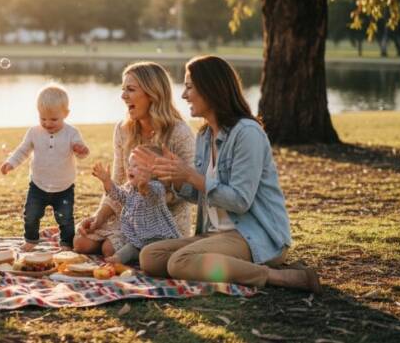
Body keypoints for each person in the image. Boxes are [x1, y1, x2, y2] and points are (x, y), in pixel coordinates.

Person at [135, 55, 320, 292]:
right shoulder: (205, 136)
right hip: (215, 234)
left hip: (251, 235)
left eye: (189, 87)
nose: (183, 95)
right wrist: (176, 177)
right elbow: (198, 194)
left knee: (179, 263)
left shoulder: (247, 134)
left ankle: (284, 277)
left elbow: (240, 201)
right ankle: (223, 263)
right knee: (151, 256)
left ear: (211, 89)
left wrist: (191, 175)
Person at [73, 61, 195, 257]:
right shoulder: (123, 129)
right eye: (123, 90)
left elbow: (190, 192)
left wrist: (151, 187)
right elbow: (119, 183)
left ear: (152, 93)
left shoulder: (179, 132)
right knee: (80, 243)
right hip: (130, 214)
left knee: (108, 248)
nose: (123, 96)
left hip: (164, 221)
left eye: (130, 89)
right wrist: (99, 217)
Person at [0, 84, 90, 251]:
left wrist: (81, 150)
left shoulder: (72, 133)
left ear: (66, 114)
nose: (47, 123)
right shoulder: (34, 132)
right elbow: (23, 150)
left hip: (64, 186)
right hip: (38, 185)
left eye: (54, 119)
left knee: (65, 218)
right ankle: (31, 240)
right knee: (31, 215)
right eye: (43, 118)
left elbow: (82, 152)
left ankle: (66, 244)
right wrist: (11, 163)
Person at [90, 145, 181, 264]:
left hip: (160, 239)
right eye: (130, 165)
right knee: (128, 250)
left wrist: (144, 186)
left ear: (153, 171)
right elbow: (117, 195)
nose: (130, 169)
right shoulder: (131, 189)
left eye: (136, 166)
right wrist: (107, 181)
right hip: (139, 240)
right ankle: (116, 260)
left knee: (159, 255)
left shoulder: (157, 187)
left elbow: (152, 194)